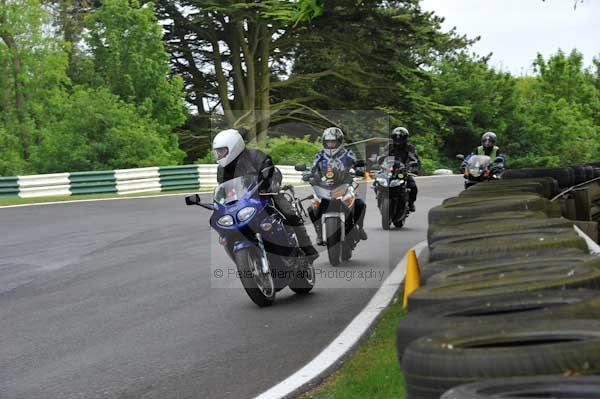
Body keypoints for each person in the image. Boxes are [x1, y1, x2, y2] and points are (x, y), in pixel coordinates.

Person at [213, 129, 319, 263]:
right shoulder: (221, 169)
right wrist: (220, 202)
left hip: (267, 195)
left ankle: (308, 250)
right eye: (218, 152)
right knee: (226, 226)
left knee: (290, 214)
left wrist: (272, 183)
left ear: (233, 147)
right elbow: (223, 189)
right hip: (244, 204)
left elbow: (273, 171)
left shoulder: (255, 156)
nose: (219, 155)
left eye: (222, 151)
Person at [307, 127, 368, 245]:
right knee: (312, 207)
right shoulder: (320, 155)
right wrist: (308, 174)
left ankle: (360, 228)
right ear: (324, 142)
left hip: (344, 183)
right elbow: (313, 167)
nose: (330, 144)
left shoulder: (348, 153)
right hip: (324, 185)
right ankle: (319, 233)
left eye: (333, 142)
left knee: (360, 203)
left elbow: (356, 163)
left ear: (339, 142)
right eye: (328, 142)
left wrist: (359, 169)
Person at [379, 127, 420, 212]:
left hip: (403, 171)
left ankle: (411, 203)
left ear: (405, 138)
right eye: (396, 138)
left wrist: (413, 168)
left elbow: (414, 159)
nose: (398, 140)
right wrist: (378, 163)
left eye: (401, 138)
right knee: (377, 182)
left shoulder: (410, 147)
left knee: (412, 186)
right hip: (389, 170)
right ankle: (380, 198)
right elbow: (382, 156)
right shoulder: (389, 146)